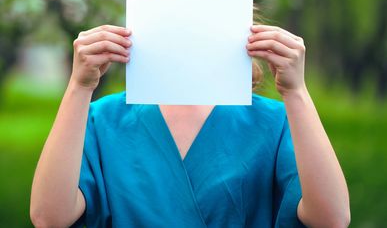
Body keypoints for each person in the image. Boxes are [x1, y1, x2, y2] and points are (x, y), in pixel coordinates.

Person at [30, 24, 350, 228]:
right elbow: (49, 218)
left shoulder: (273, 122)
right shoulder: (104, 120)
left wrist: (297, 92)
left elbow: (332, 219)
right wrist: (79, 87)